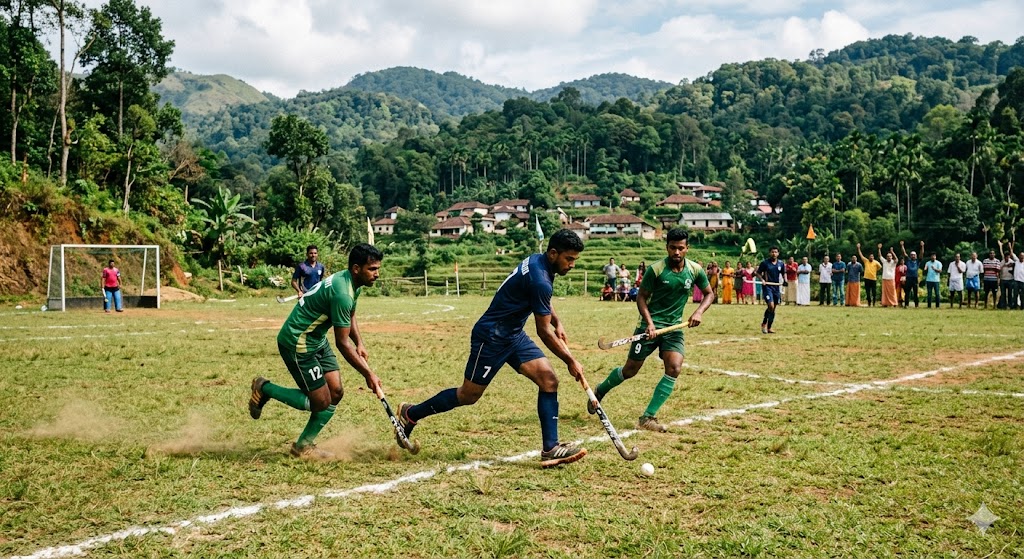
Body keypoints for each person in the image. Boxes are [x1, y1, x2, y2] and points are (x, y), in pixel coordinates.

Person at [397, 229, 588, 468]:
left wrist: (556, 320)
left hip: (513, 335)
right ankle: (411, 413)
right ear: (553, 253)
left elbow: (540, 299)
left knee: (548, 380)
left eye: (574, 260)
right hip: (492, 336)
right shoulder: (540, 278)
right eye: (568, 259)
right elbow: (543, 331)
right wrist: (570, 359)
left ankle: (550, 448)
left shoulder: (538, 261)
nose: (571, 265)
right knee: (468, 395)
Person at [248, 244, 386, 459]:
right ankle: (265, 388)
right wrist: (368, 374)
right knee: (320, 401)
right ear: (357, 268)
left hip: (316, 339)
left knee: (336, 393)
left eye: (378, 268)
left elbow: (350, 314)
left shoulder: (352, 282)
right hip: (298, 341)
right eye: (372, 269)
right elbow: (342, 343)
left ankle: (303, 445)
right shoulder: (343, 293)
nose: (377, 274)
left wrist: (359, 341)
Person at [588, 228, 713, 433]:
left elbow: (709, 293)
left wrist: (699, 312)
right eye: (672, 247)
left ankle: (648, 417)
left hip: (673, 328)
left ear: (687, 248)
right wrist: (649, 323)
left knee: (674, 368)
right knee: (630, 371)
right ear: (667, 247)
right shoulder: (655, 270)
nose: (676, 252)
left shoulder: (695, 270)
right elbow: (641, 297)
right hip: (648, 328)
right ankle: (601, 390)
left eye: (681, 248)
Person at [757, 246, 785, 334]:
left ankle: (769, 327)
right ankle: (764, 323)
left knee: (773, 308)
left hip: (776, 287)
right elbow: (757, 273)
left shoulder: (781, 263)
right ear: (770, 253)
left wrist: (785, 280)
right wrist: (762, 280)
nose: (774, 254)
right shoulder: (765, 263)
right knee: (771, 306)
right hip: (767, 286)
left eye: (776, 252)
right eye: (772, 252)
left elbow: (783, 273)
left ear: (778, 253)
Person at [899, 241, 922, 308]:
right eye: (911, 255)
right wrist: (902, 245)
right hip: (908, 278)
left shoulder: (918, 261)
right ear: (910, 255)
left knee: (915, 292)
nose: (913, 256)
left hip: (915, 278)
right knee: (907, 292)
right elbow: (904, 253)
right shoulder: (908, 260)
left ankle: (916, 305)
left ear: (916, 256)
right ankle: (906, 304)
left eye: (914, 255)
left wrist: (922, 246)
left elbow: (921, 254)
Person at [998, 241, 1015, 309]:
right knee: (1003, 294)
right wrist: (1004, 265)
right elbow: (999, 269)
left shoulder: (1012, 262)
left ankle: (1010, 305)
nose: (1007, 258)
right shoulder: (1002, 262)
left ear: (1009, 256)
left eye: (1008, 257)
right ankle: (1003, 305)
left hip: (1010, 280)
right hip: (1003, 280)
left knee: (1010, 294)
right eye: (1006, 257)